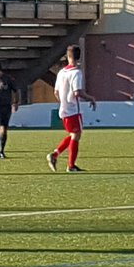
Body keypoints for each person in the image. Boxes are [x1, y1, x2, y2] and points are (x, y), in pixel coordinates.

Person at [48, 45, 97, 173]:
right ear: (79, 57)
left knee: (74, 134)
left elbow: (56, 92)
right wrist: (91, 98)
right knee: (76, 135)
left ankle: (55, 155)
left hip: (63, 109)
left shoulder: (61, 72)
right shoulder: (76, 72)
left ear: (68, 56)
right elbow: (77, 92)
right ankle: (70, 165)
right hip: (73, 109)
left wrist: (63, 102)